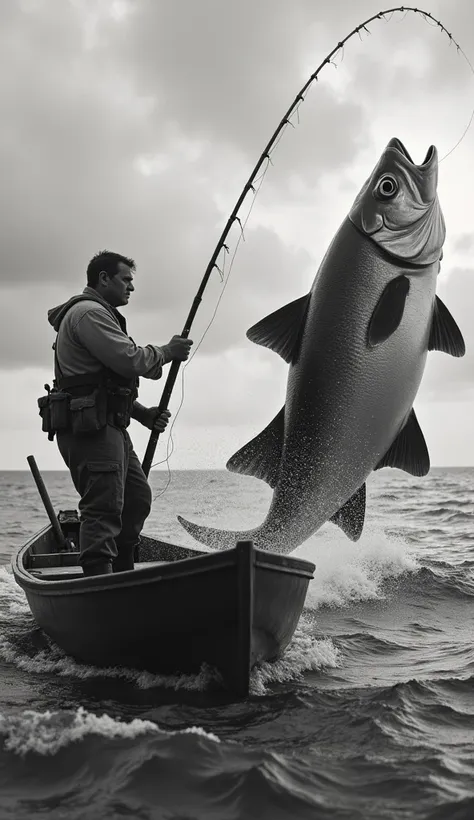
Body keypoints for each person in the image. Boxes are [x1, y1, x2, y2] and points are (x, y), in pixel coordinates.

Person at [46, 250, 192, 577]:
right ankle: (101, 586)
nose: (131, 288)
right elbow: (129, 360)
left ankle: (124, 577)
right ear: (103, 278)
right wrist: (168, 351)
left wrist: (142, 414)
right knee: (103, 508)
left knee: (136, 500)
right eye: (126, 280)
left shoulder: (101, 315)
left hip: (110, 428)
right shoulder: (89, 314)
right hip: (92, 432)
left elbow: (107, 380)